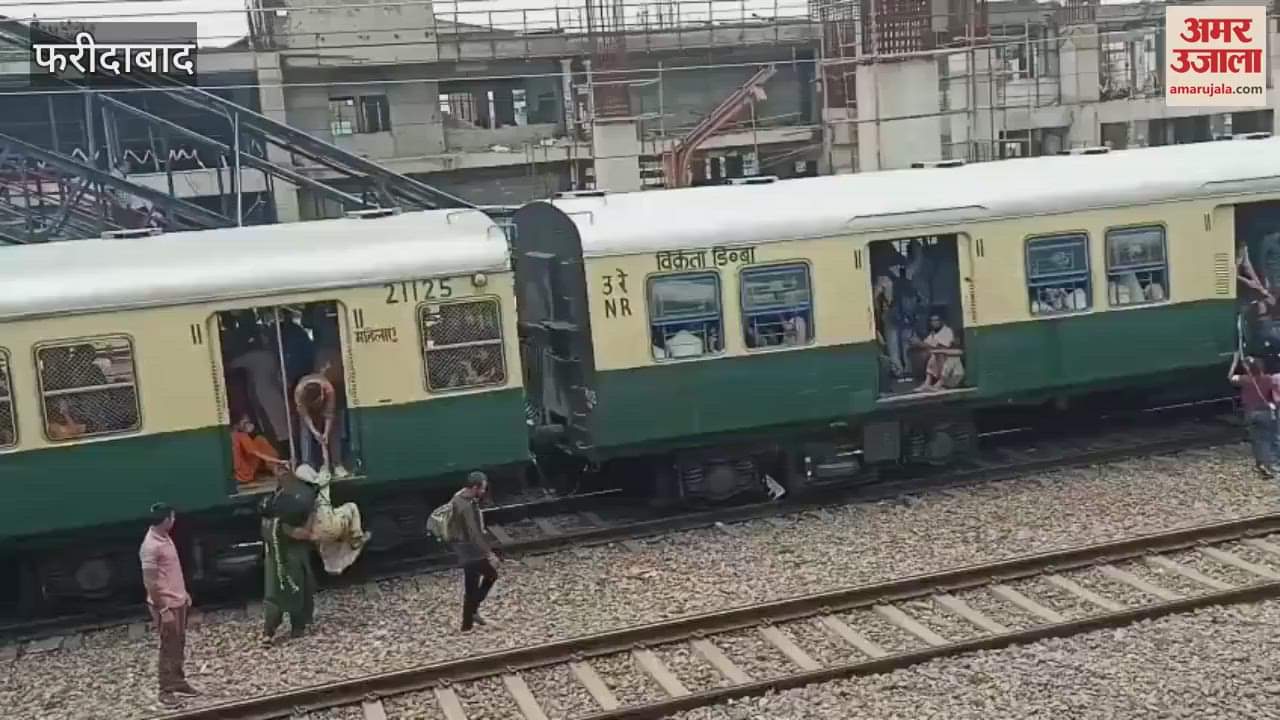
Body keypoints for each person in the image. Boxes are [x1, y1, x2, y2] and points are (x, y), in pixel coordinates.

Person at [138, 503, 199, 705]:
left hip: (177, 600)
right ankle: (165, 690)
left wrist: (183, 593)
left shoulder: (164, 537)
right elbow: (150, 582)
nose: (174, 520)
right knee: (168, 647)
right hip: (166, 605)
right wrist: (163, 609)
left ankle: (178, 681)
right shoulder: (150, 546)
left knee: (178, 643)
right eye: (172, 517)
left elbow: (171, 571)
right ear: (165, 520)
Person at [259, 474, 318, 643]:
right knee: (298, 592)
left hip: (274, 560)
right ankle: (297, 628)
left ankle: (268, 631)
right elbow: (304, 533)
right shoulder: (287, 522)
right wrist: (312, 517)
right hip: (292, 559)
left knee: (273, 596)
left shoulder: (268, 520)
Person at [294, 465, 370, 575]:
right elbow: (326, 473)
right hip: (328, 528)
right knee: (348, 507)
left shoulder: (298, 494)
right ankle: (355, 537)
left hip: (322, 531)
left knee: (326, 541)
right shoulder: (321, 483)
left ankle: (331, 564)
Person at [449, 471, 499, 632]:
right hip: (470, 550)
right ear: (475, 487)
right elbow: (474, 533)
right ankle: (472, 611)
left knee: (471, 586)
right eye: (482, 488)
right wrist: (489, 554)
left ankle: (467, 625)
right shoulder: (466, 506)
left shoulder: (459, 497)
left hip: (462, 548)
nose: (484, 491)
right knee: (491, 575)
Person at [1229, 351, 1280, 477]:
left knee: (1257, 440)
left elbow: (1230, 377)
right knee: (1270, 438)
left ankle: (1260, 465)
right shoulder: (1269, 379)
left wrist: (1235, 362)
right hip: (1266, 412)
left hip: (1250, 413)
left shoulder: (1244, 380)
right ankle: (1272, 465)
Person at [294, 366, 348, 478]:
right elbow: (305, 416)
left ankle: (337, 464)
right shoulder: (299, 393)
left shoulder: (329, 390)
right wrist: (314, 431)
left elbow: (329, 415)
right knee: (305, 431)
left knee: (334, 430)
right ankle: (308, 465)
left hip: (327, 403)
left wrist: (326, 433)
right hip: (306, 406)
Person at [911, 312, 965, 392]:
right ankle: (927, 383)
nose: (934, 322)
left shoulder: (947, 331)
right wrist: (917, 343)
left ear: (941, 321)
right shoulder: (933, 333)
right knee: (932, 355)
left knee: (950, 358)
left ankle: (938, 385)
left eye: (936, 320)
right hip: (941, 370)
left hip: (953, 377)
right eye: (932, 321)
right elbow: (927, 344)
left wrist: (922, 344)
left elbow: (942, 347)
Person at [232, 414, 289, 486]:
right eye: (245, 422)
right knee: (260, 440)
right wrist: (279, 461)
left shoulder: (231, 435)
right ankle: (276, 467)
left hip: (236, 474)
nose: (248, 424)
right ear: (237, 424)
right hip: (244, 475)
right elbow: (257, 454)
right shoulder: (241, 435)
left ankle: (275, 467)